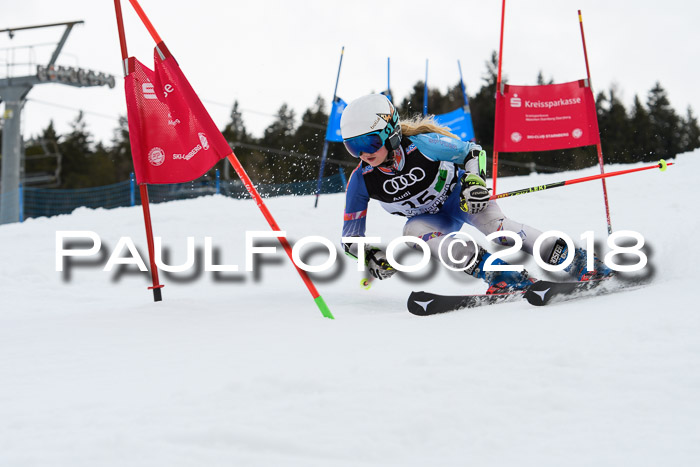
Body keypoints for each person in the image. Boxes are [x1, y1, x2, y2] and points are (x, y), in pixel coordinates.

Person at [339, 94, 611, 292]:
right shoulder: (361, 180)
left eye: (370, 141)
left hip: (463, 199)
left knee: (499, 230)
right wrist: (371, 256)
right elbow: (350, 238)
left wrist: (474, 183)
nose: (364, 153)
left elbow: (472, 151)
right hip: (432, 221)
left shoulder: (421, 146)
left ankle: (578, 261)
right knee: (413, 233)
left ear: (391, 132)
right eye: (354, 147)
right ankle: (503, 275)